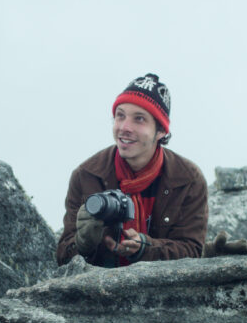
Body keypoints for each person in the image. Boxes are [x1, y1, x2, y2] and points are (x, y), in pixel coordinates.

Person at [56, 73, 208, 267]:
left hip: (161, 285)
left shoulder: (187, 179)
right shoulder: (86, 176)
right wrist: (83, 243)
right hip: (100, 284)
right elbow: (63, 258)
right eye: (120, 116)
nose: (124, 127)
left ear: (161, 131)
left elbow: (192, 251)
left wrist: (145, 248)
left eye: (139, 119)